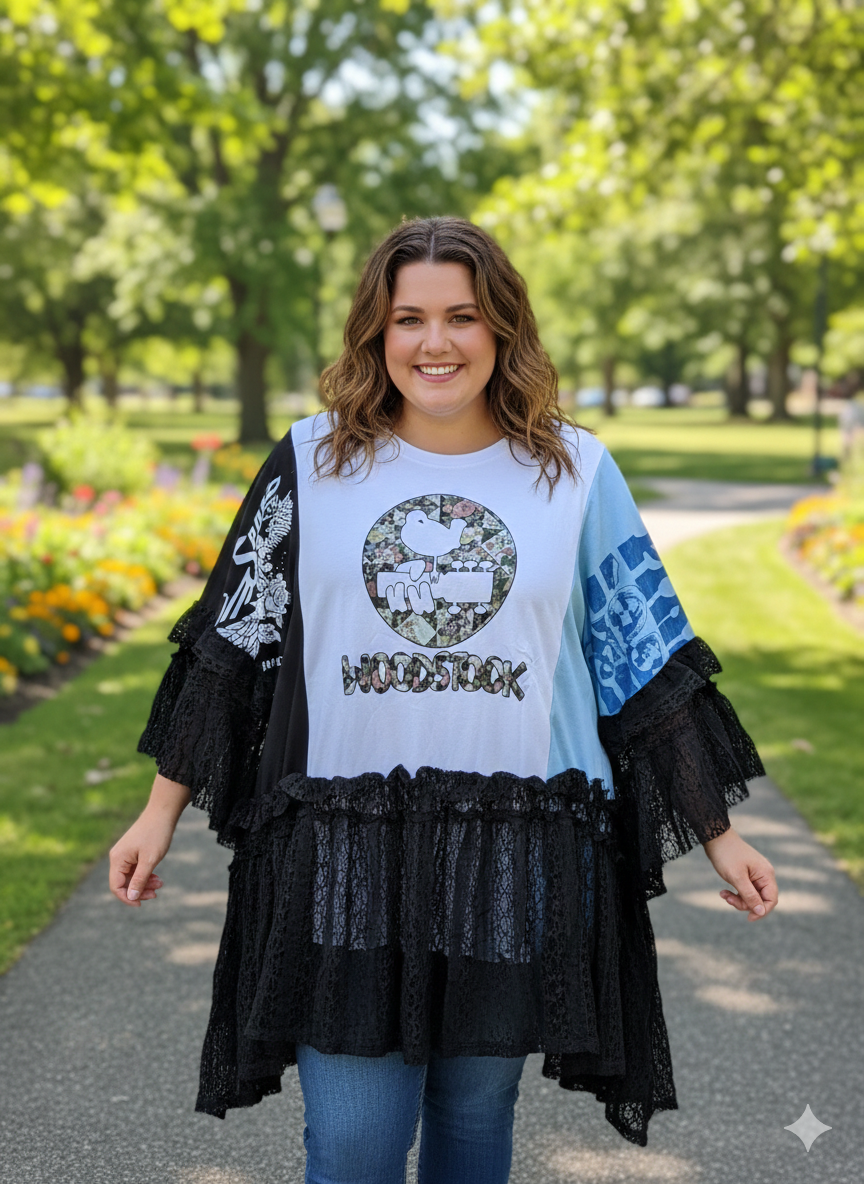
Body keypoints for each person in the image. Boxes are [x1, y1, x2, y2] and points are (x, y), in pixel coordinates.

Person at [109, 216, 779, 1183]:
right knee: (354, 1140)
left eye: (462, 316)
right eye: (409, 319)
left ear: (502, 327)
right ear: (376, 333)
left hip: (513, 845)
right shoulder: (311, 460)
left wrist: (720, 834)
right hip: (345, 840)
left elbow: (642, 656)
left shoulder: (575, 471)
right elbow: (234, 643)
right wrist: (157, 813)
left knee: (472, 1119)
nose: (436, 342)